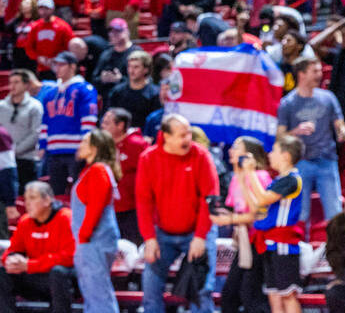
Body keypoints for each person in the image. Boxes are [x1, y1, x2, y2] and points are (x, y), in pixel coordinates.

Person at [136, 114, 219, 313]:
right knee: (150, 285)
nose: (188, 139)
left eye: (189, 133)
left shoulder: (201, 156)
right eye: (182, 135)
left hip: (197, 230)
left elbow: (210, 199)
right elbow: (143, 201)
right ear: (166, 136)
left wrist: (200, 237)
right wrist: (149, 238)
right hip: (163, 232)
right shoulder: (148, 158)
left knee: (202, 289)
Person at [277, 56, 345, 230]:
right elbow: (280, 136)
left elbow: (341, 126)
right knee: (300, 214)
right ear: (301, 74)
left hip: (327, 160)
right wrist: (297, 131)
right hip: (301, 162)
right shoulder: (287, 103)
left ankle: (338, 254)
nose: (320, 74)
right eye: (315, 71)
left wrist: (343, 132)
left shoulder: (328, 97)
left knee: (335, 213)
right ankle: (301, 253)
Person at [240, 135, 307, 313]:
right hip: (269, 243)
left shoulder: (292, 179)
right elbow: (255, 205)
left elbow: (262, 199)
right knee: (274, 295)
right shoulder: (278, 181)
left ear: (285, 155)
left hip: (284, 243)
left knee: (288, 295)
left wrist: (250, 172)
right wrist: (243, 179)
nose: (269, 155)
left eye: (274, 151)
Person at [0, 181, 75, 313]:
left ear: (47, 200)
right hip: (36, 276)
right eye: (25, 199)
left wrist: (30, 265)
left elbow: (69, 258)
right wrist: (11, 260)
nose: (26, 203)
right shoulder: (25, 221)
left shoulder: (66, 218)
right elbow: (12, 250)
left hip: (65, 280)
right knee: (1, 273)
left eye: (32, 198)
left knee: (59, 272)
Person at [211, 136, 272, 313]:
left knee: (249, 295)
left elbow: (259, 215)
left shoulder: (260, 176)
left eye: (236, 148)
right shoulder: (236, 178)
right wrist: (224, 215)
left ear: (249, 155)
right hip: (244, 242)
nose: (231, 151)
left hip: (260, 242)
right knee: (230, 295)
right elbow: (239, 211)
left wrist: (229, 219)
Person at [70, 130, 120, 313]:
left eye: (84, 142)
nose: (80, 145)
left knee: (99, 295)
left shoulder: (98, 170)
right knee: (92, 294)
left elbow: (95, 207)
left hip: (94, 241)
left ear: (94, 148)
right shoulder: (90, 170)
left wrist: (83, 237)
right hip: (90, 241)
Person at [37, 51, 98, 196]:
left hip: (75, 150)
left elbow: (89, 119)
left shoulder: (84, 89)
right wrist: (43, 146)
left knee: (80, 192)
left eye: (61, 64)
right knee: (55, 194)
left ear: (73, 67)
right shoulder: (50, 93)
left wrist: (85, 145)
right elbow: (45, 122)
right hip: (54, 151)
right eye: (55, 64)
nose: (57, 68)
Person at [100, 108, 148, 244]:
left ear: (120, 125)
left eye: (107, 123)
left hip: (132, 209)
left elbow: (149, 174)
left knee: (132, 248)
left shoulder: (137, 145)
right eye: (103, 122)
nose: (102, 126)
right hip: (110, 208)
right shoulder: (103, 145)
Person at [0, 69, 42, 190]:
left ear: (26, 85)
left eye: (16, 82)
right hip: (3, 161)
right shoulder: (1, 106)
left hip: (26, 160)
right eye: (10, 82)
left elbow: (35, 134)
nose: (12, 86)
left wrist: (15, 151)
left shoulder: (35, 106)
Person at [105, 51, 161, 130]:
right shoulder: (117, 91)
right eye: (130, 66)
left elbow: (155, 121)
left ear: (146, 70)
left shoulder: (154, 94)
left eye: (136, 67)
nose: (131, 71)